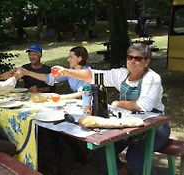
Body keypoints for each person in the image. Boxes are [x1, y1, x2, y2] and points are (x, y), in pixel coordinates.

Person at [54, 44, 171, 175]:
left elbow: (143, 105)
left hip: (155, 126)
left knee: (136, 158)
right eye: (129, 57)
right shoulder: (122, 74)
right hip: (129, 124)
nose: (132, 61)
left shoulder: (152, 78)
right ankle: (121, 172)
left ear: (147, 61)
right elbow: (94, 75)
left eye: (138, 58)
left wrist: (117, 103)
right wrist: (67, 72)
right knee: (101, 148)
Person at [22, 46, 92, 99]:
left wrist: (59, 97)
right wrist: (28, 73)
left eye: (71, 57)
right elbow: (49, 78)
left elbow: (82, 94)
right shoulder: (70, 71)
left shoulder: (87, 73)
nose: (68, 60)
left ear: (79, 58)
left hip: (88, 106)